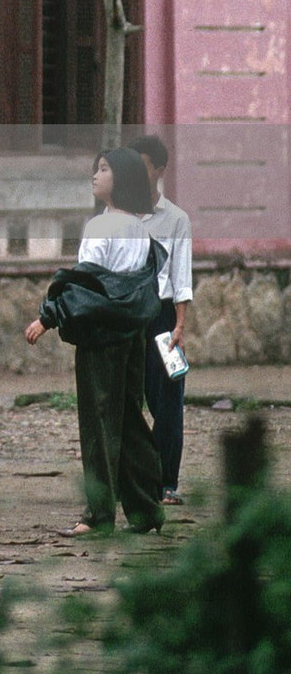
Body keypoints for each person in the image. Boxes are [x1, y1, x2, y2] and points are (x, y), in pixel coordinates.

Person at [26, 148, 165, 535]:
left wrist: (47, 317)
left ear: (122, 178)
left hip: (101, 336)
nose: (95, 175)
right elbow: (133, 285)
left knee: (99, 421)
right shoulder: (140, 230)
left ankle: (99, 515)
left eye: (104, 169)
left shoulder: (100, 227)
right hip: (132, 334)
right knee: (131, 419)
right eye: (96, 168)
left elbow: (86, 284)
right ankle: (146, 510)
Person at [131, 134, 193, 505]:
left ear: (159, 170)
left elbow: (181, 277)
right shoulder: (117, 217)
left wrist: (179, 326)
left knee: (168, 400)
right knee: (128, 400)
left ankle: (166, 482)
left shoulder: (176, 220)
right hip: (127, 317)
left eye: (143, 168)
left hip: (163, 317)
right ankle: (133, 480)